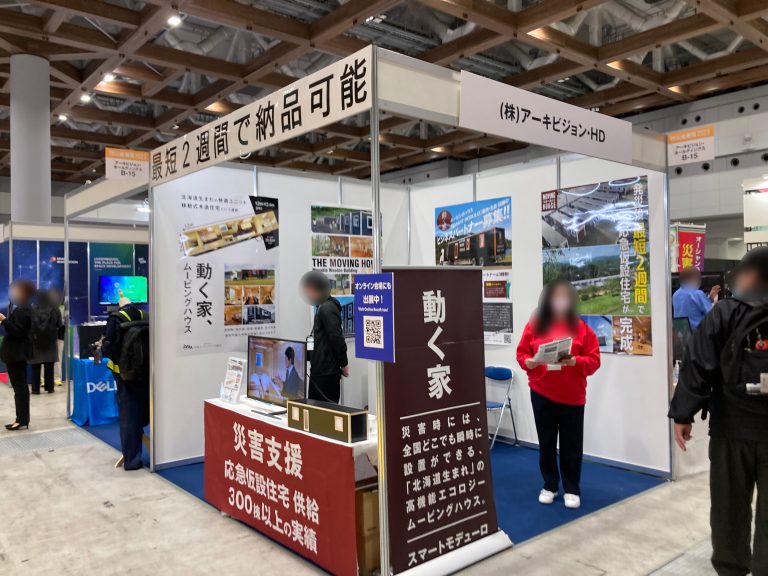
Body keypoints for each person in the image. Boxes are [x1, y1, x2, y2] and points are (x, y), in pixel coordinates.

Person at [669, 247, 768, 576]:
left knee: (729, 507)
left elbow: (698, 364)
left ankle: (730, 568)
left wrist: (683, 414)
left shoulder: (725, 312)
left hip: (730, 429)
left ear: (751, 275)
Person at [517, 279, 601, 510]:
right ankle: (550, 485)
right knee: (546, 442)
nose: (560, 301)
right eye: (556, 296)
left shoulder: (582, 329)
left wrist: (575, 361)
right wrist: (529, 362)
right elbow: (522, 354)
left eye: (565, 296)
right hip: (541, 392)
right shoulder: (535, 326)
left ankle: (572, 488)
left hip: (573, 396)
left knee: (571, 444)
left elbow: (594, 361)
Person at [102, 295, 148, 470]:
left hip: (124, 374)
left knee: (128, 415)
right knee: (143, 409)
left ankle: (132, 460)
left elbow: (108, 349)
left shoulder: (115, 318)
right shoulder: (146, 315)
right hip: (145, 372)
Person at [300, 271, 348, 404]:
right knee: (313, 409)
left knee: (327, 411)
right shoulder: (321, 306)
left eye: (309, 290)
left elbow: (336, 338)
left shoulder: (328, 308)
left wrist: (343, 363)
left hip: (326, 373)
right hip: (318, 371)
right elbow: (317, 336)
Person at [0, 280, 36, 431]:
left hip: (16, 354)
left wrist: (4, 321)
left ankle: (21, 419)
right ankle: (22, 419)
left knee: (20, 388)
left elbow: (17, 331)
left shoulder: (22, 310)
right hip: (17, 354)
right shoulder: (25, 309)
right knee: (20, 387)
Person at [29, 289, 63, 394]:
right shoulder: (55, 309)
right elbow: (60, 325)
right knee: (49, 366)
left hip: (36, 342)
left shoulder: (32, 309)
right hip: (51, 341)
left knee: (36, 367)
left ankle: (35, 389)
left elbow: (29, 326)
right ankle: (50, 388)